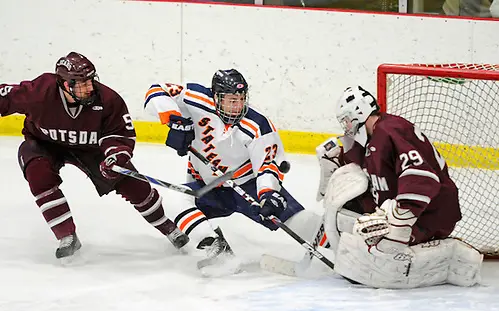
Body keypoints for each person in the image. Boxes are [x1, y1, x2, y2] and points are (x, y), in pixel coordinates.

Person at [0, 51, 189, 261]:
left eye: (90, 81)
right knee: (39, 175)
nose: (89, 87)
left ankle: (168, 227)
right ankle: (67, 236)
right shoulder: (40, 91)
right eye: (81, 83)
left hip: (93, 149)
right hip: (44, 143)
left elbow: (120, 134)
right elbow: (4, 97)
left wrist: (114, 157)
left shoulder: (108, 100)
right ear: (63, 83)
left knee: (135, 186)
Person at [144, 69, 329, 269]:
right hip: (207, 186)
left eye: (241, 99)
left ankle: (341, 243)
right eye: (231, 100)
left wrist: (268, 194)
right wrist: (175, 120)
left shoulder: (257, 125)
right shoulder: (195, 98)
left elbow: (267, 165)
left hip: (247, 184)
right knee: (178, 200)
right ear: (216, 97)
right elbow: (156, 90)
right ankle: (217, 249)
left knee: (292, 219)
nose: (237, 105)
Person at [315, 85, 483, 288]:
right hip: (401, 207)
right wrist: (335, 156)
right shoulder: (372, 136)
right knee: (350, 219)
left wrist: (400, 221)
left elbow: (423, 178)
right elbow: (357, 155)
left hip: (430, 213)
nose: (346, 127)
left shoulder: (390, 131)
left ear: (359, 113)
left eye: (347, 120)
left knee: (382, 246)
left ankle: (453, 257)